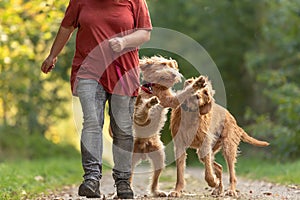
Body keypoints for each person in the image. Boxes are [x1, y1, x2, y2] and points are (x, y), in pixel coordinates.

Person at [41, 0, 152, 198]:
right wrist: (52, 56)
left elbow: (144, 32)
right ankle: (91, 179)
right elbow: (66, 27)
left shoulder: (135, 1)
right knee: (92, 122)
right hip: (89, 70)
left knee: (123, 128)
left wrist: (124, 42)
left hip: (123, 72)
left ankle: (123, 182)